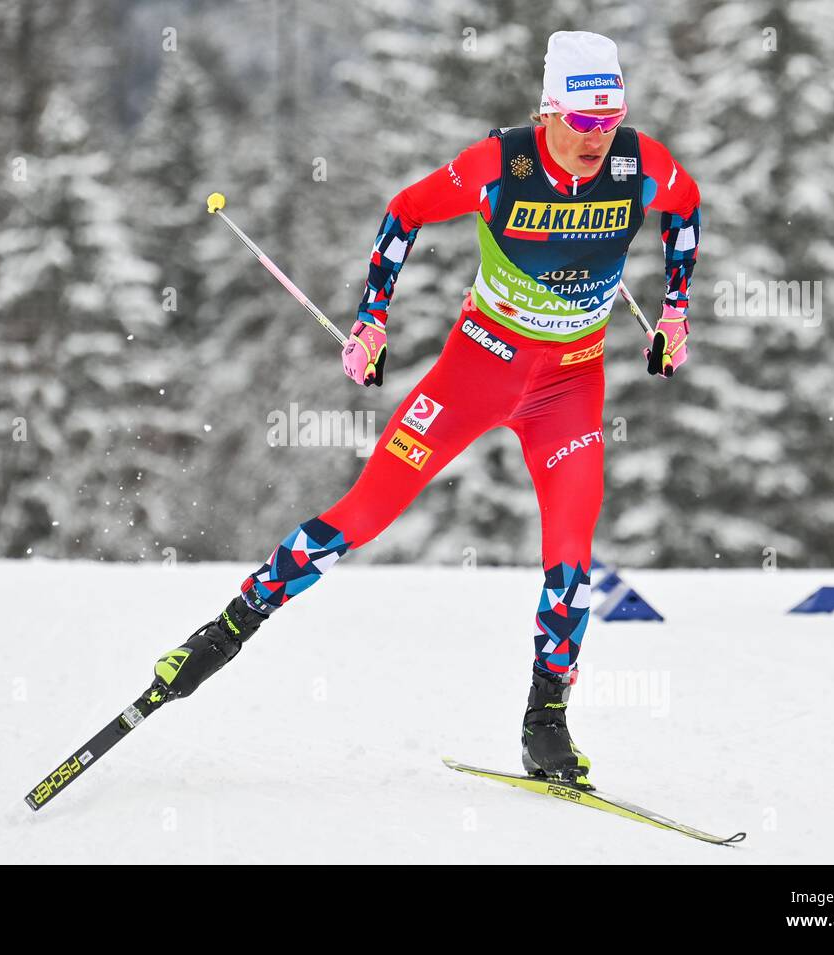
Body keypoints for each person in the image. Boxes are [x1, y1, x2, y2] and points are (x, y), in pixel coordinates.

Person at [152, 31, 700, 789]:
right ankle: (220, 634)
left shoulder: (640, 164)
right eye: (581, 123)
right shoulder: (500, 167)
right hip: (477, 368)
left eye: (611, 122)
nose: (597, 141)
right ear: (549, 112)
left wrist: (675, 311)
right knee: (364, 513)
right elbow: (404, 212)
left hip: (569, 389)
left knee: (571, 558)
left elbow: (686, 207)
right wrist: (372, 319)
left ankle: (545, 718)